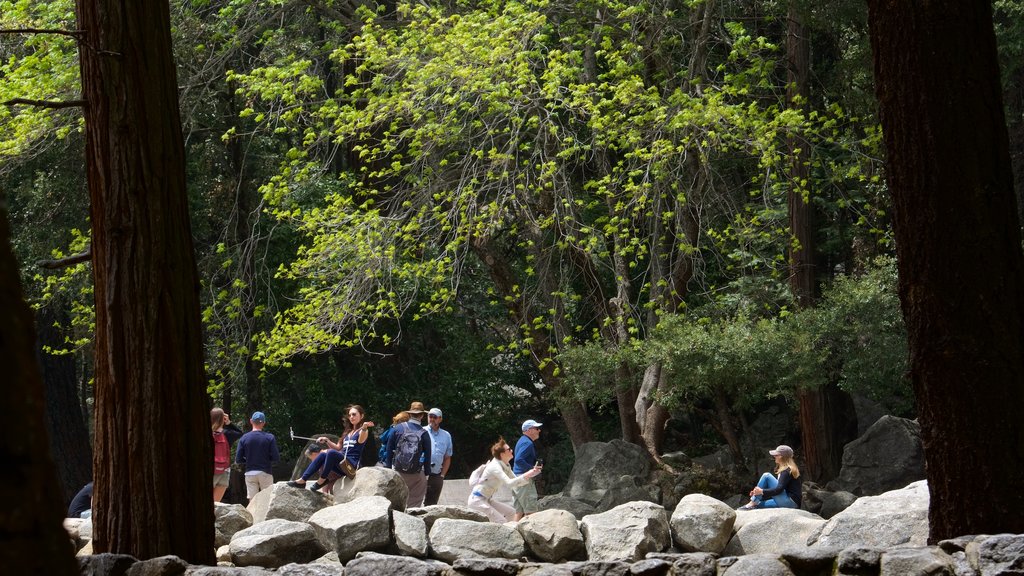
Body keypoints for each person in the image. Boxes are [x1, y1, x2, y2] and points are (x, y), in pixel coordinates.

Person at [289, 404, 375, 493]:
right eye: (349, 415)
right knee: (323, 454)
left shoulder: (363, 431)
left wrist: (364, 427)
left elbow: (361, 441)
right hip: (342, 465)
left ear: (362, 416)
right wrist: (327, 440)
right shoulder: (347, 432)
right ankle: (303, 480)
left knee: (330, 452)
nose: (351, 417)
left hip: (351, 466)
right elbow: (338, 448)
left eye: (354, 414)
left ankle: (322, 480)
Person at [468, 437, 541, 523]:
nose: (512, 450)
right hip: (477, 501)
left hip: (487, 499)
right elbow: (510, 483)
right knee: (500, 520)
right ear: (502, 454)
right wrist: (527, 473)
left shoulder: (506, 465)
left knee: (512, 513)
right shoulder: (495, 467)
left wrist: (532, 473)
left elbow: (516, 482)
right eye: (509, 449)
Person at [384, 401, 432, 508]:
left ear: (409, 414)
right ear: (422, 415)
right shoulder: (424, 433)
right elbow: (428, 456)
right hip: (415, 473)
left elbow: (388, 449)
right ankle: (412, 515)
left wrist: (388, 468)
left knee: (395, 502)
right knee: (415, 501)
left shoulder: (397, 428)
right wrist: (427, 472)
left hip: (398, 471)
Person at [738, 444, 803, 510]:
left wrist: (761, 491)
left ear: (781, 456)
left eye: (776, 455)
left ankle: (753, 502)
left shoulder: (786, 471)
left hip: (790, 503)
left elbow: (778, 490)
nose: (774, 456)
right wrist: (757, 493)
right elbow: (779, 490)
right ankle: (754, 502)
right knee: (758, 505)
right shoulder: (788, 469)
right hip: (791, 504)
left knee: (766, 476)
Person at [235, 411, 281, 499]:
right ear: (263, 423)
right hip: (265, 472)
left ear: (251, 421)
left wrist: (248, 460)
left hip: (250, 472)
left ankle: (252, 513)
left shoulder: (244, 438)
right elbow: (276, 457)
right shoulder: (269, 437)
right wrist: (267, 459)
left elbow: (238, 459)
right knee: (267, 499)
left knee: (252, 500)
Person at [512, 419, 543, 521]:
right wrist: (532, 469)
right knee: (531, 511)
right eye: (537, 428)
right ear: (529, 430)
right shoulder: (527, 443)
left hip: (516, 478)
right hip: (524, 479)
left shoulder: (522, 440)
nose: (539, 430)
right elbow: (519, 459)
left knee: (519, 512)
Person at [211, 407, 243, 502]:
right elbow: (239, 433)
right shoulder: (227, 434)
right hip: (223, 472)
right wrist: (229, 423)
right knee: (215, 504)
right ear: (223, 419)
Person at [424, 407, 453, 505]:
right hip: (421, 474)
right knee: (416, 502)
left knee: (431, 505)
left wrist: (442, 475)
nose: (431, 419)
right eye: (430, 416)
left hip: (436, 475)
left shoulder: (446, 435)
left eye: (434, 417)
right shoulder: (422, 431)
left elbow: (448, 457)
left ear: (440, 419)